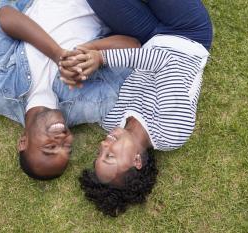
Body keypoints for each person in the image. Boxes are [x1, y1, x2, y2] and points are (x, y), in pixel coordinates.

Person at [54, 0, 213, 216]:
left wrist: (78, 67)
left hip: (145, 38)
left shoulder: (110, 120)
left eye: (100, 153)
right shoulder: (171, 132)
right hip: (187, 34)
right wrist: (102, 58)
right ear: (136, 161)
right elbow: (166, 61)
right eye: (110, 156)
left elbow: (89, 85)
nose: (103, 144)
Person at [0, 0, 139, 180]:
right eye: (67, 148)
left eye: (50, 148)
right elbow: (134, 47)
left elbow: (4, 16)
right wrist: (91, 55)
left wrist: (58, 54)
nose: (63, 139)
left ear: (23, 141)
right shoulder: (94, 104)